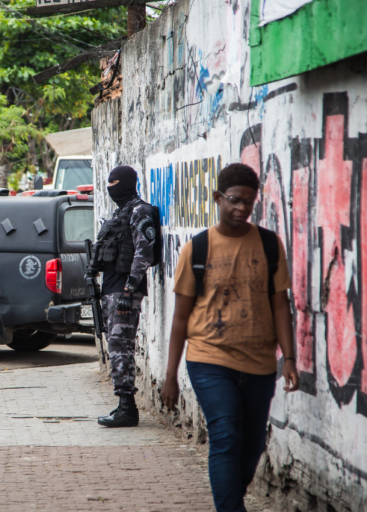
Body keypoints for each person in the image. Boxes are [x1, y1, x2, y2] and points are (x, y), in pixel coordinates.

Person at [160, 163, 300, 512]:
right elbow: (180, 318)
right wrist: (170, 376)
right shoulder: (198, 249)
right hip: (209, 359)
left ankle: (229, 499)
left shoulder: (269, 245)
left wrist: (291, 359)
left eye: (249, 203)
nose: (241, 208)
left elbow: (280, 305)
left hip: (259, 363)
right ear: (218, 198)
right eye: (235, 201)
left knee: (252, 444)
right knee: (226, 436)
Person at [87, 165, 157, 428]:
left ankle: (128, 409)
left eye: (115, 182)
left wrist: (130, 289)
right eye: (108, 182)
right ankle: (123, 406)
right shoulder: (120, 212)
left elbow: (144, 252)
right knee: (116, 348)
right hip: (110, 292)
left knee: (120, 348)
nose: (110, 186)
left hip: (124, 292)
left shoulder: (140, 211)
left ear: (128, 183)